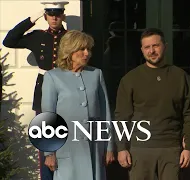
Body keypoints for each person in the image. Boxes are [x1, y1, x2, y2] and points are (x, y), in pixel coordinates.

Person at [115, 28, 190, 180]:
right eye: (147, 47)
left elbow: (189, 114)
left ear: (164, 46)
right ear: (142, 50)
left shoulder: (180, 77)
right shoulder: (130, 79)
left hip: (172, 150)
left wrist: (188, 147)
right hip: (140, 150)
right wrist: (121, 148)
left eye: (156, 46)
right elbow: (122, 116)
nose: (151, 51)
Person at [2, 1, 69, 179]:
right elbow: (9, 41)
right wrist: (33, 18)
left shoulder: (71, 37)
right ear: (46, 15)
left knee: (68, 138)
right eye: (50, 13)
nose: (54, 17)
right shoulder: (37, 36)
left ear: (63, 15)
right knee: (46, 137)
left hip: (66, 89)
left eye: (58, 13)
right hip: (43, 88)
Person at [41, 30, 115, 180]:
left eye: (88, 49)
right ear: (70, 50)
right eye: (82, 49)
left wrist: (109, 147)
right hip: (66, 148)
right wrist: (49, 153)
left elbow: (105, 113)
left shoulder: (96, 74)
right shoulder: (53, 77)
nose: (87, 53)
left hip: (94, 147)